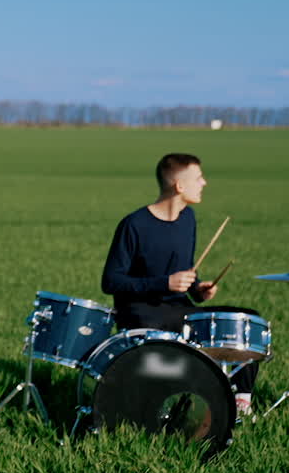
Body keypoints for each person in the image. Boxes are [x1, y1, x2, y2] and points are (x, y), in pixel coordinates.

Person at [100, 153, 258, 415]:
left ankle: (241, 401)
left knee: (247, 320)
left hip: (181, 309)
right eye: (198, 178)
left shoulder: (188, 218)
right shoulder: (134, 225)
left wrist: (197, 288)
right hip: (143, 315)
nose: (204, 183)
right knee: (174, 332)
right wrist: (165, 283)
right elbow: (111, 281)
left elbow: (186, 270)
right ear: (179, 186)